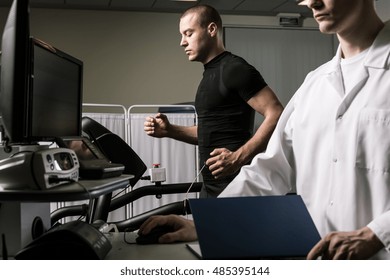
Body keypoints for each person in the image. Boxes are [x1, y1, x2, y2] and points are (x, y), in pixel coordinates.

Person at [139, 0, 390, 260]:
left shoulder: (235, 69)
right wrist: (204, 224)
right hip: (317, 258)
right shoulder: (314, 85)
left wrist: (378, 233)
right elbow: (271, 170)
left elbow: (272, 115)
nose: (309, 2)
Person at [144, 5, 284, 198]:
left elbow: (276, 113)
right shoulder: (210, 74)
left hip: (236, 185)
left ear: (211, 30)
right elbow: (210, 132)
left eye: (188, 33)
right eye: (182, 35)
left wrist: (238, 157)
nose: (182, 42)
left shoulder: (235, 69)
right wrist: (170, 131)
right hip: (210, 186)